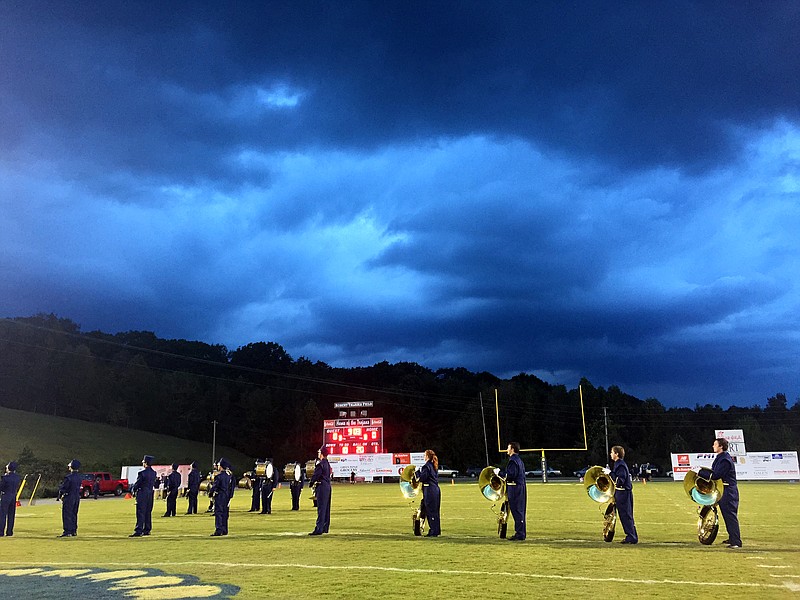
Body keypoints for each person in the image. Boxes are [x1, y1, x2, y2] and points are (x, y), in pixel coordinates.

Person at [711, 437, 742, 549]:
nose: (713, 446)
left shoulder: (724, 460)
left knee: (730, 516)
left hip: (728, 492)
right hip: (725, 490)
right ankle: (732, 538)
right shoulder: (721, 457)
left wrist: (700, 472)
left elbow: (716, 475)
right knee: (728, 516)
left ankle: (736, 542)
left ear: (721, 446)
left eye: (715, 444)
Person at [607, 445, 638, 544]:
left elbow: (619, 480)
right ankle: (632, 536)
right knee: (626, 515)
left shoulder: (620, 465)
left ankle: (631, 537)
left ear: (616, 454)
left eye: (612, 452)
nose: (611, 454)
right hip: (621, 492)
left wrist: (610, 473)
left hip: (623, 492)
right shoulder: (618, 464)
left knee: (625, 515)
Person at [498, 442, 526, 541]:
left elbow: (510, 475)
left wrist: (499, 473)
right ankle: (521, 532)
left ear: (512, 449)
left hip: (515, 488)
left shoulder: (513, 460)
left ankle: (520, 534)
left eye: (508, 447)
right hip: (520, 487)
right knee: (520, 511)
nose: (507, 449)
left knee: (517, 510)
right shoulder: (519, 460)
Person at [130, 455, 158, 537]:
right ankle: (147, 529)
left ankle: (138, 530)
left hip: (142, 493)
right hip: (150, 493)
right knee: (148, 512)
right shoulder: (154, 473)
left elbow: (138, 484)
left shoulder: (142, 473)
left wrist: (133, 489)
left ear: (145, 463)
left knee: (140, 512)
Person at [416, 449, 441, 537]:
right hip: (436, 490)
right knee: (436, 511)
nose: (424, 457)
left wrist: (418, 474)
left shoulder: (426, 466)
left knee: (430, 511)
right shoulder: (434, 466)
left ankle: (433, 531)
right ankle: (436, 530)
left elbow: (423, 478)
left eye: (424, 455)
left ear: (427, 456)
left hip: (429, 490)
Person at [308, 447, 331, 535]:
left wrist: (311, 482)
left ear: (321, 453)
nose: (318, 453)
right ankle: (325, 527)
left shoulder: (320, 464)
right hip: (327, 486)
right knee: (326, 508)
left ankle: (319, 529)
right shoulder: (327, 463)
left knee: (321, 508)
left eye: (319, 452)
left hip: (322, 486)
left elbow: (316, 475)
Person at [57, 459, 82, 537]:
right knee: (74, 514)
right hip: (76, 497)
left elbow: (64, 488)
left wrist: (60, 494)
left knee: (67, 514)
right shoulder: (79, 477)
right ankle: (73, 530)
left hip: (69, 496)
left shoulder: (68, 477)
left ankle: (67, 531)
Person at [211, 458, 234, 536]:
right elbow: (232, 487)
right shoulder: (230, 476)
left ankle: (219, 530)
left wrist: (211, 492)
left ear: (221, 466)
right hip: (227, 496)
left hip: (220, 496)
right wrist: (230, 496)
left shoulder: (219, 476)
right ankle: (225, 530)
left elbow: (215, 486)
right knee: (225, 513)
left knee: (219, 512)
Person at [0, 461, 23, 537]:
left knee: (3, 514)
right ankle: (9, 531)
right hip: (13, 496)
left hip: (6, 495)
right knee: (11, 515)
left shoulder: (5, 477)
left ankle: (1, 531)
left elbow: (1, 487)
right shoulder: (17, 477)